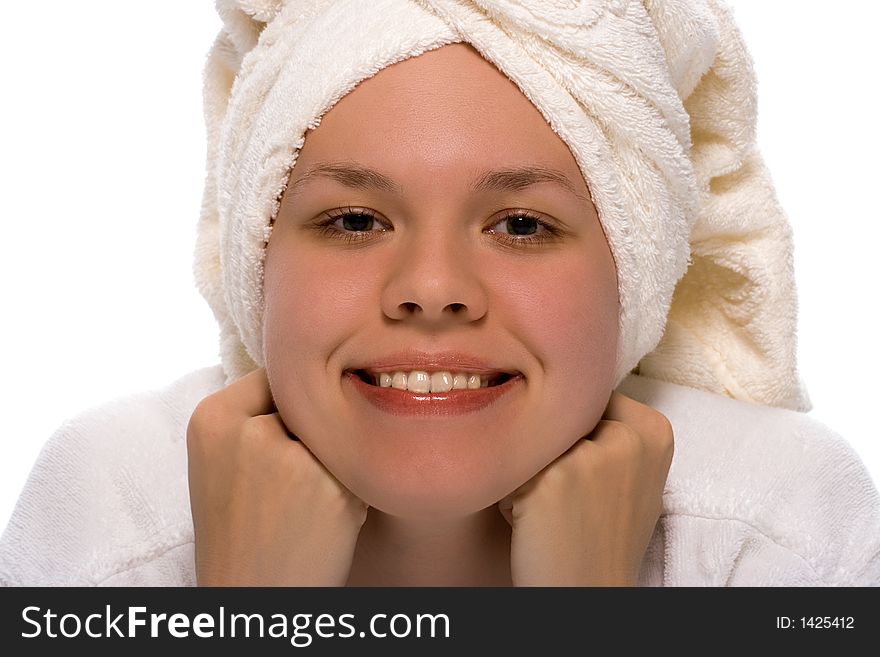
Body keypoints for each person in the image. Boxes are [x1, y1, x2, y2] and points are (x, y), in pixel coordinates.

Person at [2, 0, 879, 586]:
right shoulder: (115, 513)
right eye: (353, 220)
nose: (430, 290)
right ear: (254, 262)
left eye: (522, 225)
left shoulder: (779, 530)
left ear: (637, 273)